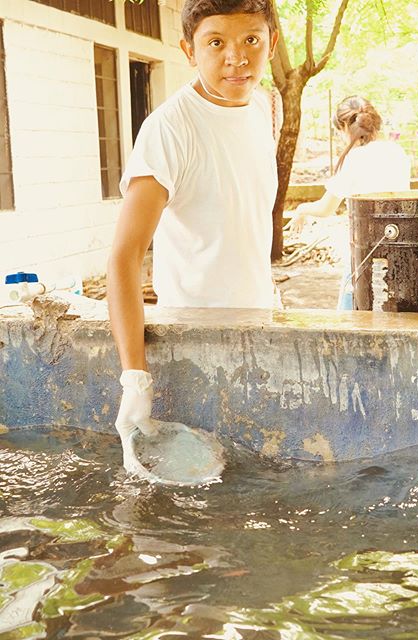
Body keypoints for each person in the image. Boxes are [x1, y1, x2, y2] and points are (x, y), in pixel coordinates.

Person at [107, 0, 279, 468]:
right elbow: (123, 258)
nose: (236, 58)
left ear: (271, 43)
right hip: (195, 345)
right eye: (216, 42)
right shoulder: (169, 128)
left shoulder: (265, 106)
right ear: (189, 50)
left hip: (264, 329)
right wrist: (135, 379)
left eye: (251, 40)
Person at [286, 96, 411, 307]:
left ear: (345, 127)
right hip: (402, 250)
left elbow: (326, 208)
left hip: (365, 251)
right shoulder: (397, 152)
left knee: (352, 314)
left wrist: (301, 209)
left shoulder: (356, 158)